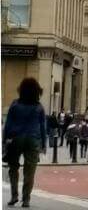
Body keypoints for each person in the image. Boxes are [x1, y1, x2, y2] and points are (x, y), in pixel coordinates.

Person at [3, 78, 48, 207]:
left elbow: (8, 125)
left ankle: (14, 196)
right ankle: (26, 199)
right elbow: (43, 127)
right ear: (37, 92)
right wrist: (44, 144)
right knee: (30, 170)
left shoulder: (15, 105)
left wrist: (5, 141)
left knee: (13, 168)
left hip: (16, 138)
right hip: (33, 139)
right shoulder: (39, 107)